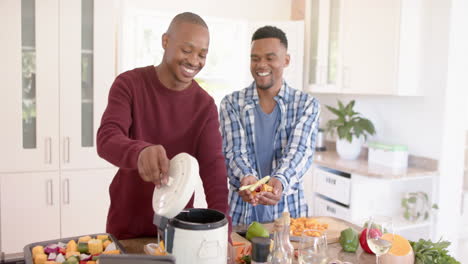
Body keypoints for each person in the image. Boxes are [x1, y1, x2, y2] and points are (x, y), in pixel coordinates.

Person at [97, 12, 231, 239]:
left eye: (202, 54)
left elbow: (214, 171)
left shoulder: (205, 106)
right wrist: (139, 153)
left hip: (178, 231)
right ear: (165, 41)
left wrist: (222, 234)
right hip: (126, 227)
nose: (194, 61)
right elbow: (107, 138)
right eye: (187, 50)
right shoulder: (129, 84)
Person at [219, 26, 321, 225]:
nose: (261, 64)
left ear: (286, 60)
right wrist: (246, 178)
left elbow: (299, 152)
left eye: (270, 58)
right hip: (241, 216)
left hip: (291, 217)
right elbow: (233, 152)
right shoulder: (231, 103)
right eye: (255, 58)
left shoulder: (306, 104)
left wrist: (280, 181)